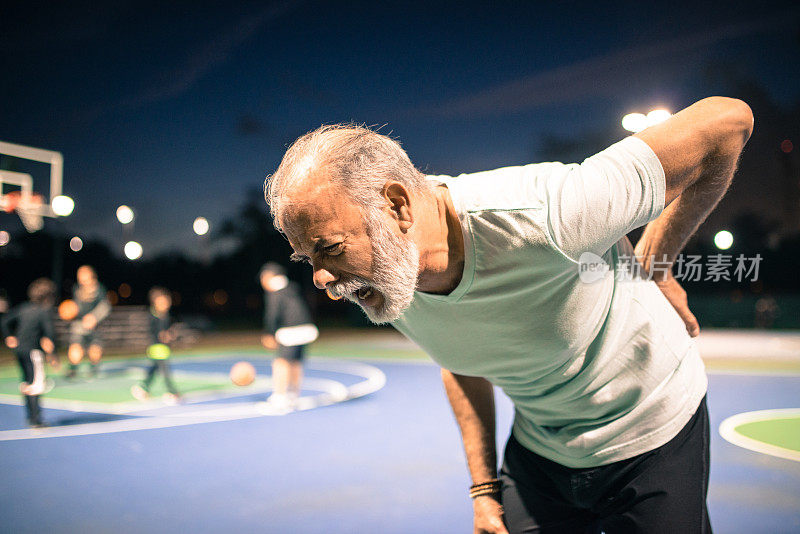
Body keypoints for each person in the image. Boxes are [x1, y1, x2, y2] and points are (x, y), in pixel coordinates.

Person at [264, 97, 754, 533]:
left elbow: (727, 120)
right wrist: (483, 490)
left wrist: (658, 262)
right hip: (544, 447)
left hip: (649, 428)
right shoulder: (390, 274)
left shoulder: (551, 213)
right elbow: (460, 358)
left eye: (329, 249)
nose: (323, 280)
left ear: (397, 207)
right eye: (310, 260)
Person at [1, 278, 60, 427]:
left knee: (27, 381)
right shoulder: (43, 312)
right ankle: (35, 419)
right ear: (48, 297)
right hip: (33, 352)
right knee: (36, 384)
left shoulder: (24, 308)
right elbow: (50, 335)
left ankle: (30, 416)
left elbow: (4, 321)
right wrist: (54, 356)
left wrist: (9, 336)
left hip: (19, 350)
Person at [259, 262, 318, 411]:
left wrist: (269, 333)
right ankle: (293, 395)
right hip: (306, 328)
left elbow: (273, 314)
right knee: (295, 362)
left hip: (289, 332)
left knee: (281, 362)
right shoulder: (292, 287)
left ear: (268, 276)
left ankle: (279, 396)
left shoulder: (275, 291)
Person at [131, 287, 181, 403]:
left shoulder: (167, 316)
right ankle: (171, 391)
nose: (166, 304)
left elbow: (170, 331)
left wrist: (171, 335)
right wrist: (162, 336)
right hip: (156, 348)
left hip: (164, 348)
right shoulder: (153, 316)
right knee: (165, 370)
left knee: (154, 369)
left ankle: (142, 387)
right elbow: (155, 333)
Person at [67, 265, 110, 378]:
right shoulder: (76, 289)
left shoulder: (99, 289)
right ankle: (73, 369)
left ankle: (94, 368)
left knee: (95, 350)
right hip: (79, 325)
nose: (80, 277)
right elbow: (75, 306)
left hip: (95, 326)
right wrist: (70, 311)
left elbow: (105, 306)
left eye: (83, 274)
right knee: (75, 346)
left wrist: (94, 317)